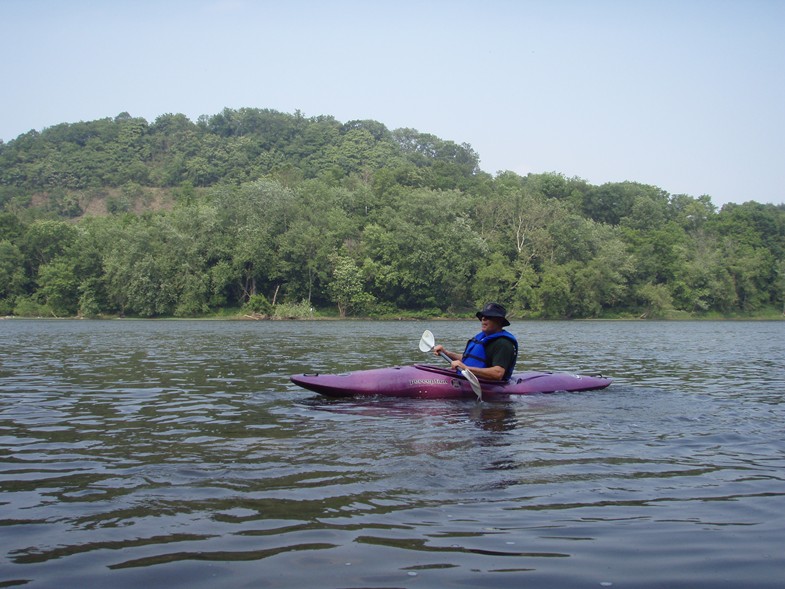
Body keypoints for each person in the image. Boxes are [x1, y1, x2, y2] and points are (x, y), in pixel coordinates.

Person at [433, 302, 518, 381]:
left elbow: (498, 373)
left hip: (488, 386)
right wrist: (446, 353)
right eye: (482, 317)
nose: (483, 319)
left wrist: (466, 368)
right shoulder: (482, 338)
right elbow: (469, 359)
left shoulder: (503, 343)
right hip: (468, 379)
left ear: (499, 321)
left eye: (488, 317)